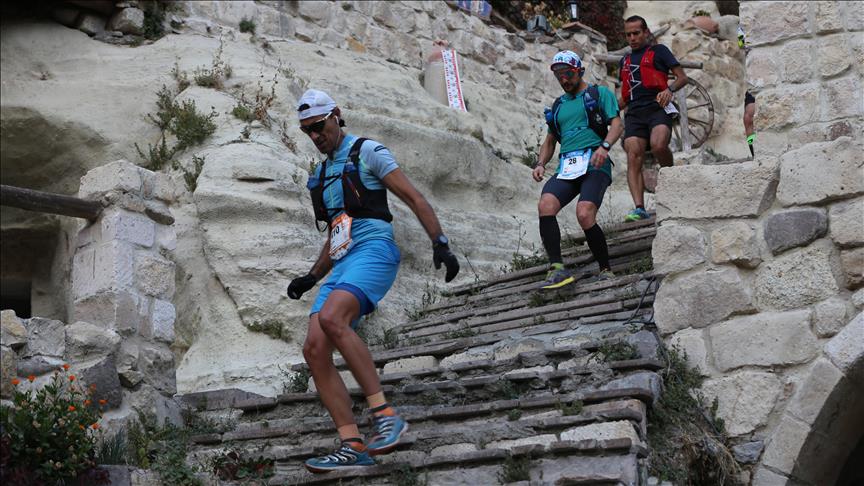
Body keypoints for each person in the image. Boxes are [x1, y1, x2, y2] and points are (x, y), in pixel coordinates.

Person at [286, 89, 460, 473]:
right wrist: (311, 276)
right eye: (307, 132)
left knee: (333, 320)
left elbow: (414, 198)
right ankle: (351, 443)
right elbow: (337, 232)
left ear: (336, 116)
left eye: (318, 127)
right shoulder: (320, 173)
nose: (315, 136)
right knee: (314, 349)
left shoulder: (367, 151)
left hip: (375, 250)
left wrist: (440, 242)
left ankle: (385, 414)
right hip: (344, 259)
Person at [533, 51, 624, 288]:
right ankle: (557, 268)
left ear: (579, 71)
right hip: (568, 167)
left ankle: (605, 268)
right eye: (559, 76)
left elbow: (617, 123)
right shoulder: (559, 105)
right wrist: (541, 163)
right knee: (545, 205)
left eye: (569, 74)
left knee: (584, 213)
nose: (564, 80)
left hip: (595, 163)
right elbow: (551, 140)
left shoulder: (599, 93)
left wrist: (604, 147)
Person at [618, 15, 688, 222]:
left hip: (658, 107)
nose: (632, 38)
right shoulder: (625, 60)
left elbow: (682, 77)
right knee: (633, 153)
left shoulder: (660, 52)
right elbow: (625, 95)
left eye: (636, 33)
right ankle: (639, 208)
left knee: (658, 146)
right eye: (628, 34)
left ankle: (671, 181)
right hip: (634, 113)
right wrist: (609, 110)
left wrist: (669, 89)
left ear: (646, 32)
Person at [739, 25, 756, 158]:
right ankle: (753, 148)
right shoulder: (742, 27)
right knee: (747, 119)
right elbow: (740, 44)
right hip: (753, 81)